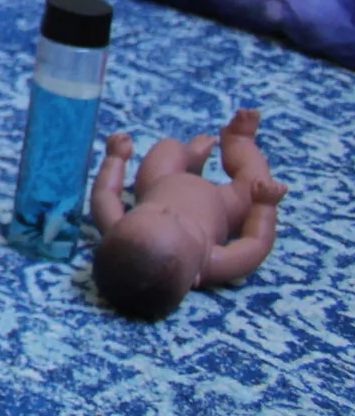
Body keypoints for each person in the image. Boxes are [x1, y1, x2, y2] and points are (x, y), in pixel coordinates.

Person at [90, 108, 288, 321]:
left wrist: (115, 159)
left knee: (167, 148)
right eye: (184, 226)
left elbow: (105, 194)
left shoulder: (118, 229)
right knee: (255, 181)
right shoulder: (213, 262)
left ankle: (191, 158)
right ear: (195, 276)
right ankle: (239, 141)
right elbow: (256, 242)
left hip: (161, 181)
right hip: (223, 204)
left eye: (153, 210)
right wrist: (264, 206)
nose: (173, 211)